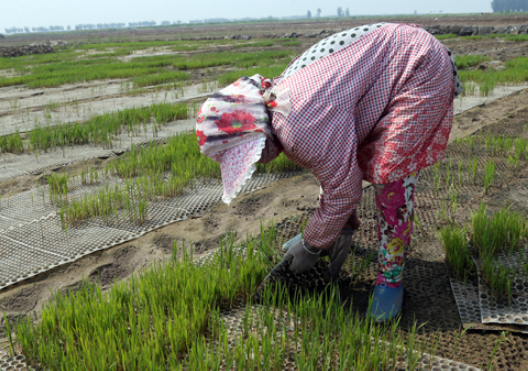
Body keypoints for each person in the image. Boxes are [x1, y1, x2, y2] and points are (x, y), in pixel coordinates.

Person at [196, 23, 462, 321]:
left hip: (419, 68)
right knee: (339, 164)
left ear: (254, 130)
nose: (258, 163)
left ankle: (390, 278)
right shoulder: (277, 100)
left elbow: (343, 190)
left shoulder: (297, 125)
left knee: (391, 181)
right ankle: (337, 233)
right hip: (388, 63)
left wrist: (311, 244)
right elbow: (335, 166)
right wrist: (336, 229)